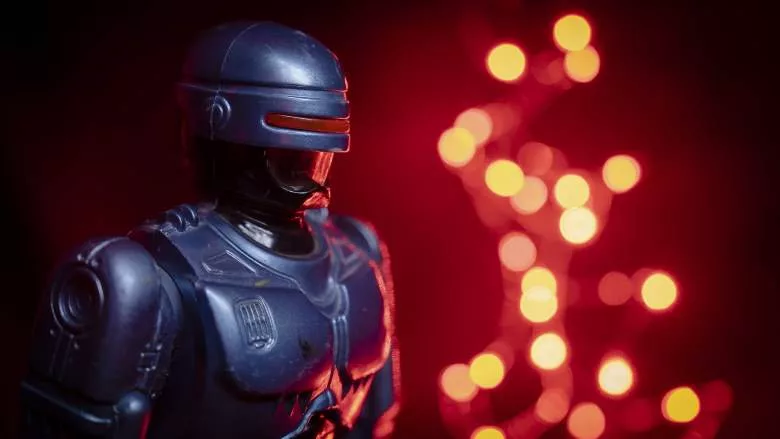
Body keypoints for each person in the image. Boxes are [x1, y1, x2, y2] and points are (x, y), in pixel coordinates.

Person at [20, 21, 399, 439]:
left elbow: (373, 420)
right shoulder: (144, 277)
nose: (309, 164)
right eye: (294, 141)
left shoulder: (357, 255)